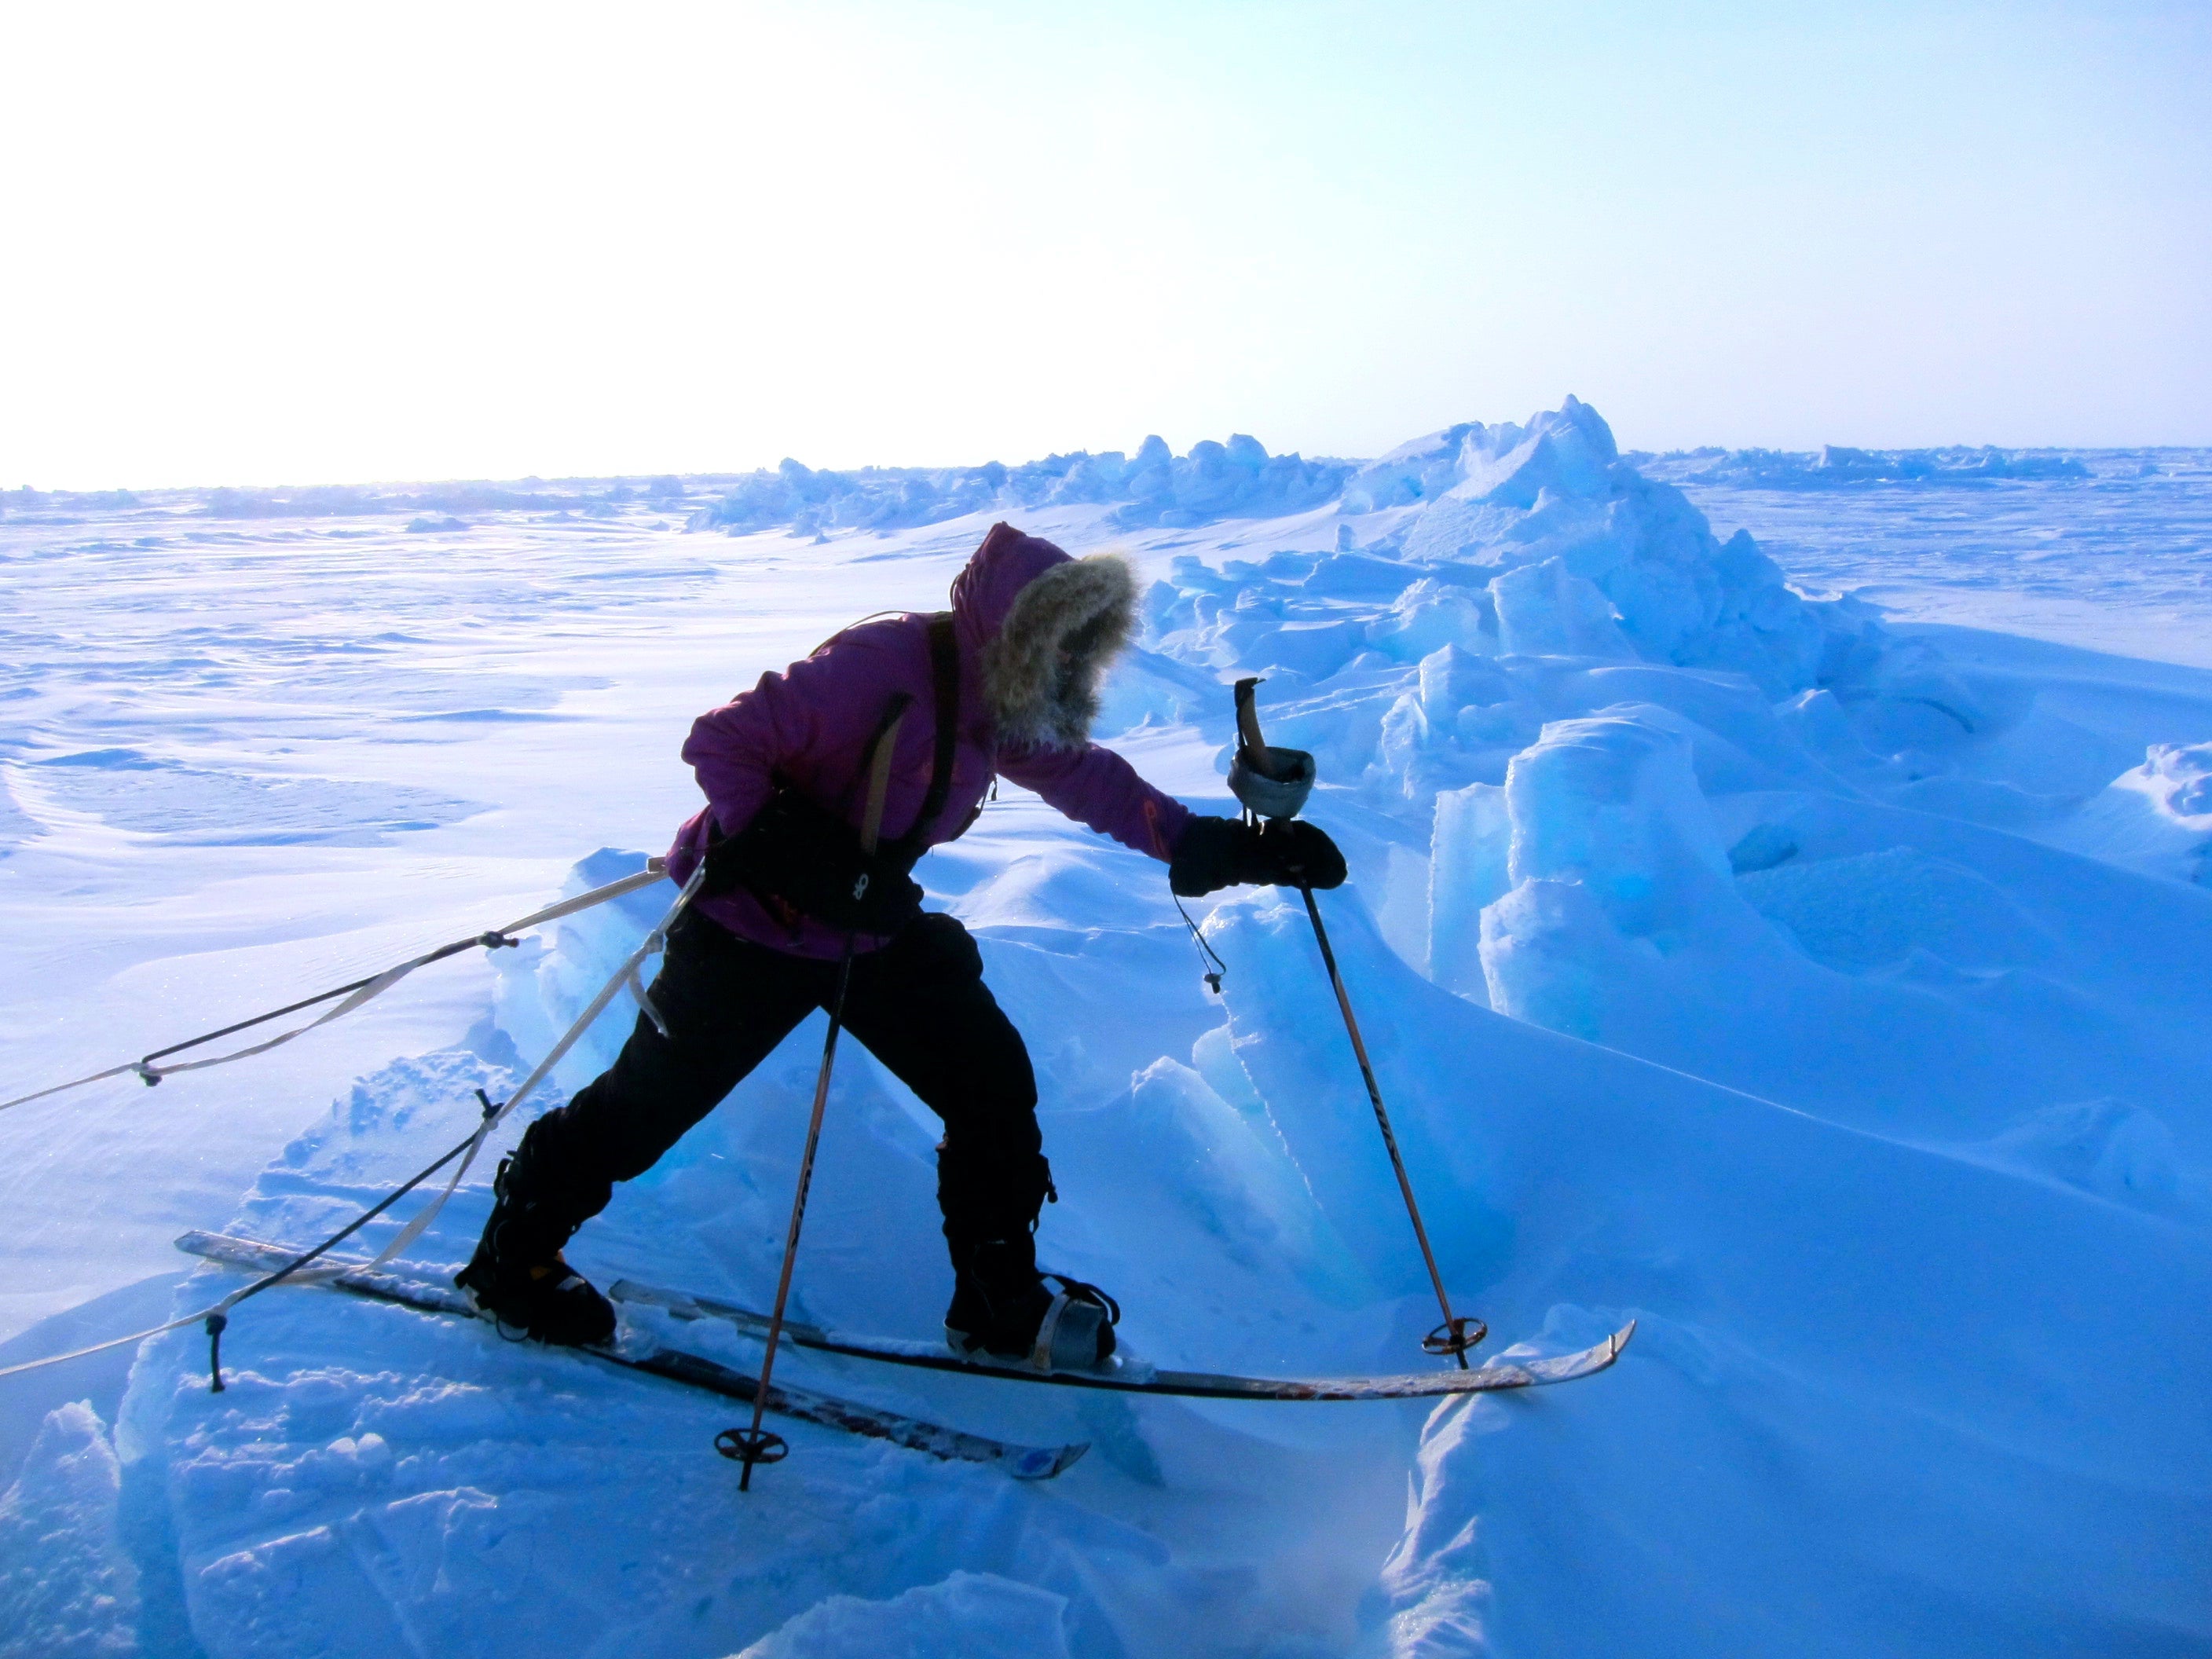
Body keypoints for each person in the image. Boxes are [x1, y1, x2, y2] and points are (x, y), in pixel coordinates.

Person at [457, 522, 1345, 1370]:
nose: (1077, 662)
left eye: (1087, 643)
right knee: (647, 1108)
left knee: (989, 1085)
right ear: (1020, 631)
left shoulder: (1003, 698)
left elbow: (1084, 776)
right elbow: (722, 739)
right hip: (749, 926)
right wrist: (789, 848)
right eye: (1064, 641)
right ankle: (514, 1261)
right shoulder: (877, 668)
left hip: (871, 919)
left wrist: (1206, 844)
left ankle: (998, 1303)